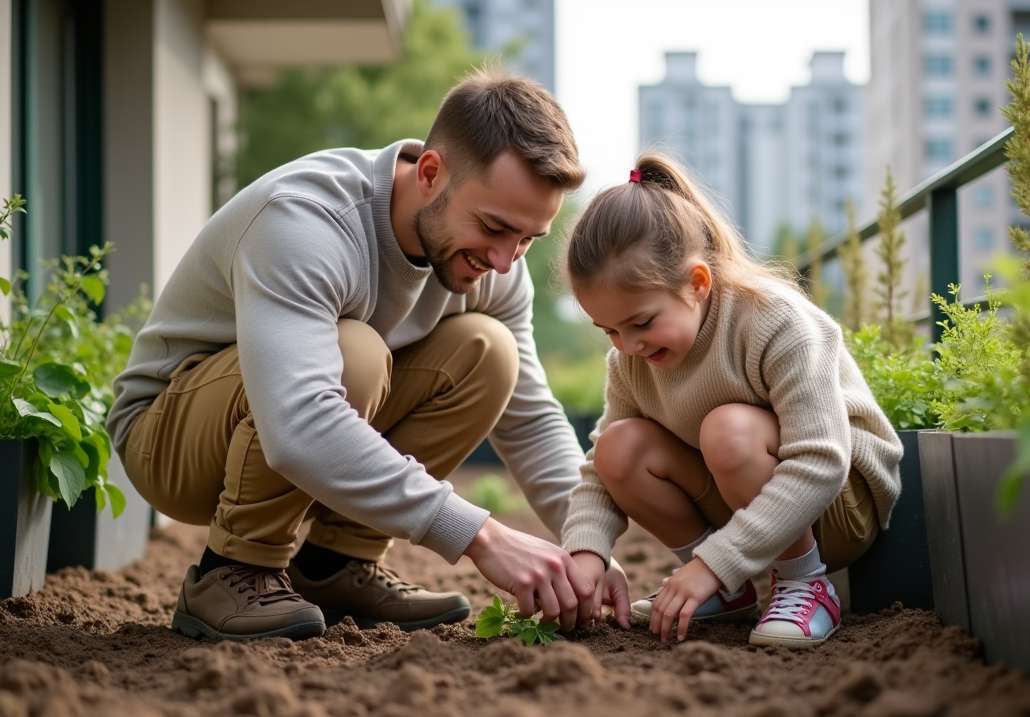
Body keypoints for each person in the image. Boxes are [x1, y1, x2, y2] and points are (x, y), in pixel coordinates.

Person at [106, 67, 628, 642]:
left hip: (284, 419)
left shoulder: (494, 264)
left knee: (489, 352)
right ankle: (232, 571)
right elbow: (299, 422)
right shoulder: (307, 221)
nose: (505, 261)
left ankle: (336, 565)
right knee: (352, 353)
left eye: (528, 239)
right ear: (430, 173)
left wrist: (587, 544)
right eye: (494, 227)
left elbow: (528, 417)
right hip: (171, 437)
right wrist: (481, 534)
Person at [559, 153, 903, 648]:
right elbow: (600, 470)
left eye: (640, 323)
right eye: (608, 329)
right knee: (619, 446)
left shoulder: (774, 321)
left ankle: (806, 584)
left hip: (837, 510)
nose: (627, 345)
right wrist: (586, 552)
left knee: (729, 431)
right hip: (746, 507)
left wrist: (712, 563)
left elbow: (822, 460)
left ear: (697, 283)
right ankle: (730, 592)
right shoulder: (631, 360)